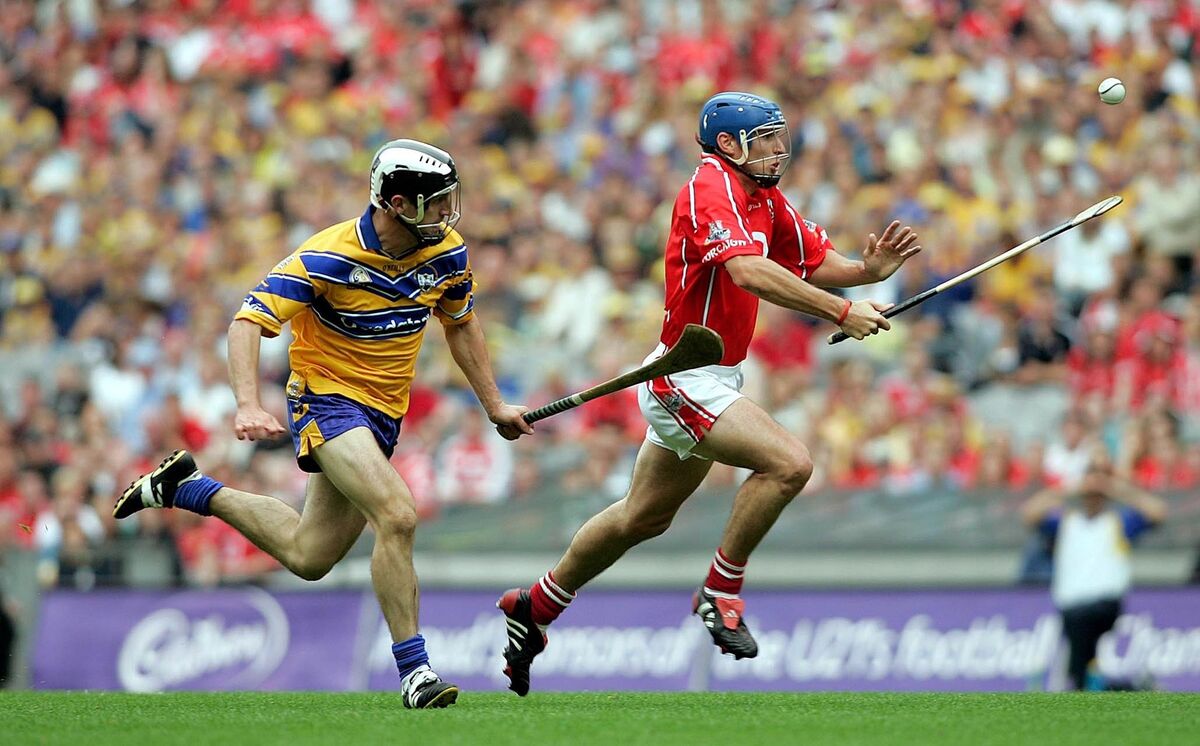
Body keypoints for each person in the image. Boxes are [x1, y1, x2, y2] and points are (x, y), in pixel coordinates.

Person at [496, 91, 922, 695]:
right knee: (789, 464)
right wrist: (839, 311)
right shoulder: (711, 187)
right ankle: (720, 589)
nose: (780, 147)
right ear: (728, 145)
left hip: (714, 375)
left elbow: (812, 257)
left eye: (780, 135)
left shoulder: (762, 196)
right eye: (767, 137)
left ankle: (535, 606)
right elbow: (747, 270)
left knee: (642, 517)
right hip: (683, 374)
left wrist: (864, 273)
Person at [113, 139, 533, 709]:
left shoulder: (447, 252)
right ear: (396, 203)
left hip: (384, 415)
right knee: (398, 514)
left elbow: (460, 323)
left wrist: (493, 404)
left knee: (309, 556)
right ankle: (415, 673)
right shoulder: (326, 256)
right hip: (327, 401)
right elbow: (246, 321)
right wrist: (246, 403)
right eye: (435, 203)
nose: (447, 213)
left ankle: (188, 488)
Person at [1021, 455, 1167, 690]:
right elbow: (1029, 513)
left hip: (1103, 603)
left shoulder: (1117, 522)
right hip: (1071, 606)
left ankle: (1113, 687)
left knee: (1080, 659)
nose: (1092, 498)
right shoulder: (1067, 523)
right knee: (1081, 673)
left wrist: (1113, 487)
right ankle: (1133, 689)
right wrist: (1072, 487)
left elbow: (1158, 511)